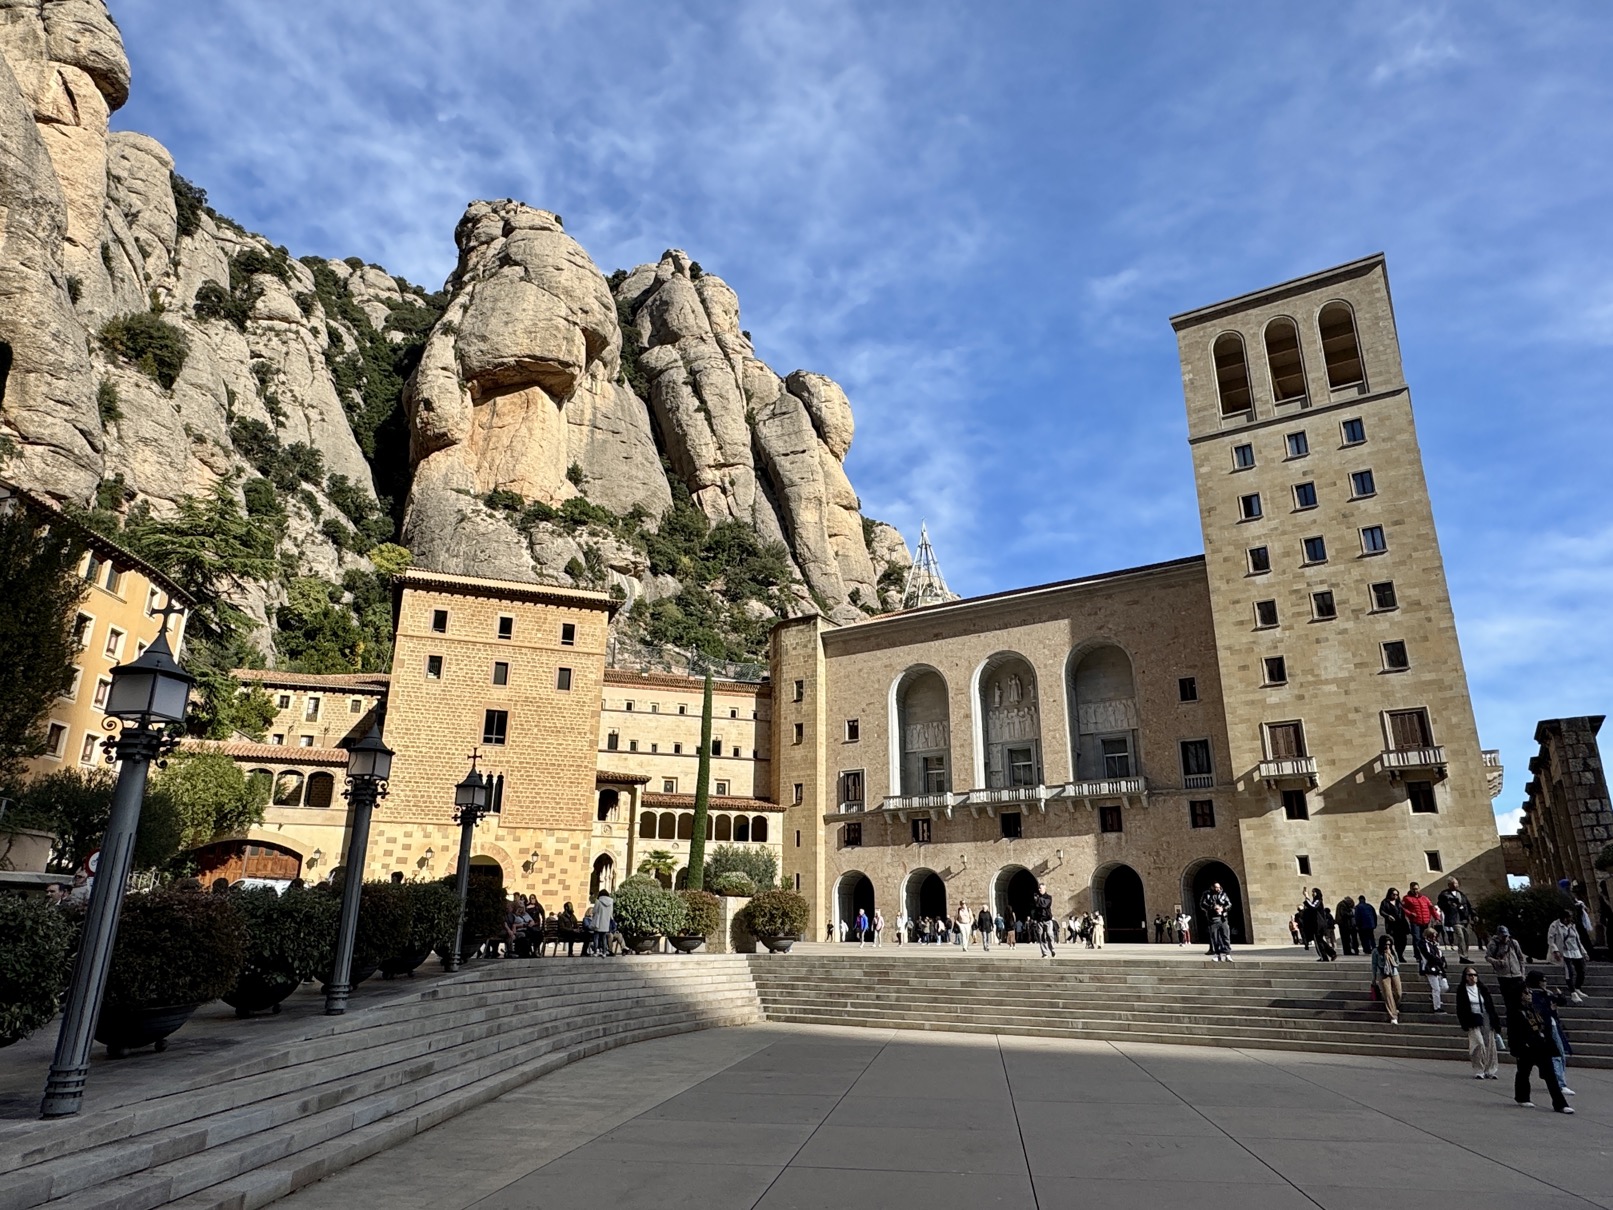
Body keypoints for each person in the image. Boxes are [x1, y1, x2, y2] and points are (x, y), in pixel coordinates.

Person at [1511, 971, 1572, 1112]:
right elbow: (1514, 1032)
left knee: (1550, 1075)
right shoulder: (1516, 1012)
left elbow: (1544, 1022)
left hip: (1541, 1044)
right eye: (1526, 993)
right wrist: (1518, 1046)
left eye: (1529, 993)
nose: (1529, 995)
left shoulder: (1534, 1008)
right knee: (1523, 1072)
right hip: (1526, 1047)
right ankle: (1522, 1097)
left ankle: (1560, 1104)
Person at [1454, 966, 1502, 1079]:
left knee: (1490, 1044)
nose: (1473, 977)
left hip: (1486, 1016)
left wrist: (1495, 1021)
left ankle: (1490, 1070)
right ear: (1465, 977)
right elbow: (1460, 1008)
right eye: (1470, 975)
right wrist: (1464, 1022)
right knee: (1478, 1043)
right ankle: (1479, 1069)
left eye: (1475, 975)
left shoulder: (1482, 988)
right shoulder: (1462, 990)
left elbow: (1490, 1005)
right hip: (1472, 1018)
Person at [1547, 909, 1588, 1002]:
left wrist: (1584, 952)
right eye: (1570, 917)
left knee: (1581, 971)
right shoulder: (1555, 925)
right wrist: (1555, 950)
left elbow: (1577, 940)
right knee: (1569, 972)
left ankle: (1577, 988)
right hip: (1565, 952)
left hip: (1575, 951)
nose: (1571, 919)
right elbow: (1551, 939)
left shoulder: (1572, 926)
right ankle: (1573, 992)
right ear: (1565, 918)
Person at [1486, 925, 1526, 1017]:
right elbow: (1488, 957)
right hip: (1504, 976)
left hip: (1517, 975)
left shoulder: (1513, 943)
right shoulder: (1493, 944)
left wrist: (1522, 973)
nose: (1505, 938)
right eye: (1503, 936)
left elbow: (1521, 958)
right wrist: (1497, 962)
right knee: (1509, 1003)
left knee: (1519, 1002)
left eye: (1506, 936)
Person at [1402, 882, 1436, 970]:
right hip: (1415, 921)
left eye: (1416, 889)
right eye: (1413, 889)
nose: (1415, 891)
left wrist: (1437, 917)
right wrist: (1410, 914)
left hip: (1425, 921)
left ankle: (1427, 953)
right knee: (1417, 938)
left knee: (1426, 939)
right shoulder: (1406, 898)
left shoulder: (1424, 898)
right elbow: (1403, 908)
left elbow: (1431, 908)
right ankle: (1418, 955)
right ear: (1410, 889)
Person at [1437, 879, 1474, 959]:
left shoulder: (1461, 894)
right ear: (1449, 885)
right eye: (1453, 883)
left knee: (1466, 938)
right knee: (1460, 937)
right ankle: (1462, 956)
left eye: (1456, 883)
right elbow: (1441, 904)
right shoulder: (1444, 895)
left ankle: (1465, 955)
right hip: (1454, 919)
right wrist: (1449, 905)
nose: (1455, 885)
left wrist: (1473, 915)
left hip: (1464, 919)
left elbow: (1468, 905)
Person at [1371, 934, 1402, 1025]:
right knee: (1388, 995)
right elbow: (1374, 965)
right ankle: (1393, 1016)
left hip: (1394, 972)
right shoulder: (1376, 951)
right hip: (1383, 974)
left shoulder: (1392, 950)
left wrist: (1391, 955)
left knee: (1398, 993)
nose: (1388, 946)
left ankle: (1394, 1006)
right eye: (1386, 944)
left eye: (1389, 944)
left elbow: (1397, 962)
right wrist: (1374, 978)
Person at [1201, 882, 1233, 962]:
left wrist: (1223, 908)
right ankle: (1217, 954)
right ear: (1212, 887)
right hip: (1213, 918)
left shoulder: (1223, 894)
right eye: (1215, 887)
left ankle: (1227, 954)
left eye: (1218, 887)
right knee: (1215, 937)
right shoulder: (1207, 894)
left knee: (1225, 936)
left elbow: (1229, 904)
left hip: (1223, 918)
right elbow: (1202, 904)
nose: (1217, 889)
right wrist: (1212, 907)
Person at [1421, 927, 1447, 1010]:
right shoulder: (1424, 944)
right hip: (1430, 967)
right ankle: (1437, 1007)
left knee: (1445, 986)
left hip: (1439, 968)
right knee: (1436, 988)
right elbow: (1429, 955)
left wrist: (1443, 961)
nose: (1434, 937)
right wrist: (1439, 960)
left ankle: (1433, 997)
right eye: (1433, 935)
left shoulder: (1435, 944)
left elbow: (1440, 954)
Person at [1380, 888, 1408, 962]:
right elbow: (1381, 911)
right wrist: (1388, 916)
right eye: (1393, 894)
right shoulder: (1385, 902)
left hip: (1401, 924)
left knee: (1404, 940)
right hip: (1392, 925)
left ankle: (1400, 953)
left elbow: (1404, 911)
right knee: (1397, 940)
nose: (1395, 896)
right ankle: (1399, 955)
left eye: (1396, 894)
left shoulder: (1399, 902)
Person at [1031, 883, 1055, 957]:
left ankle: (1052, 949)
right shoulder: (1036, 897)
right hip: (1039, 920)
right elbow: (1034, 907)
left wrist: (1038, 900)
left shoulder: (1048, 897)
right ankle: (1045, 953)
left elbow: (1045, 905)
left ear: (1044, 888)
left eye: (1040, 888)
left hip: (1047, 919)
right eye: (1038, 888)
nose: (1039, 889)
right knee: (1041, 936)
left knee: (1049, 934)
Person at [592, 888, 614, 958]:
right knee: (604, 937)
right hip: (606, 922)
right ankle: (604, 952)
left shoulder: (598, 901)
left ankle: (595, 952)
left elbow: (594, 911)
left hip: (598, 922)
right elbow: (611, 913)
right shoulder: (611, 902)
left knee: (596, 937)